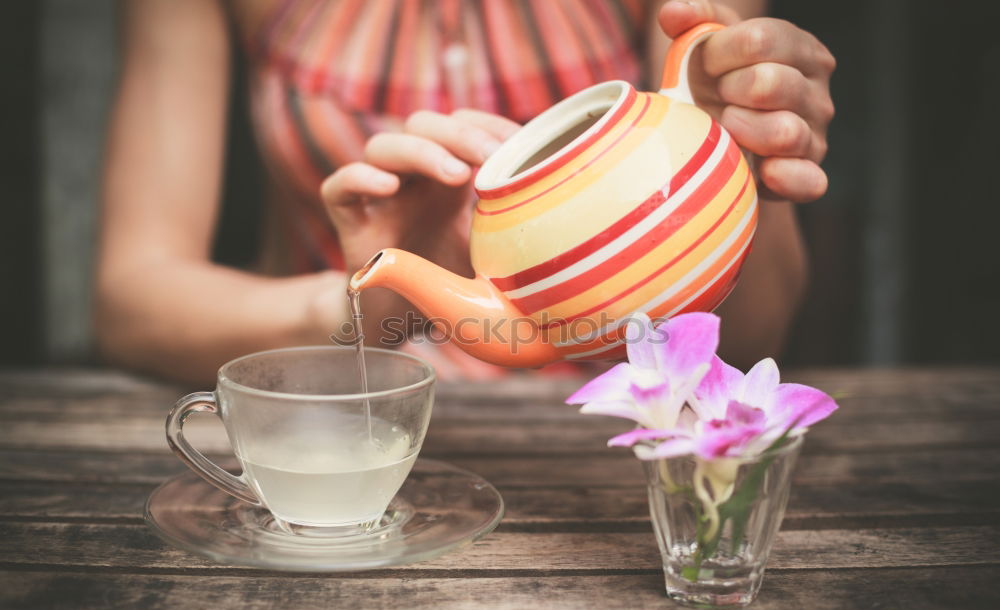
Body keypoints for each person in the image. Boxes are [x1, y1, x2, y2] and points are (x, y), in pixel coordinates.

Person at [95, 0, 835, 384]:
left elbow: (751, 339)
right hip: (352, 416)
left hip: (612, 450)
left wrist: (730, 166)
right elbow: (132, 300)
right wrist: (369, 307)